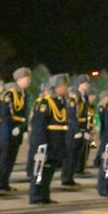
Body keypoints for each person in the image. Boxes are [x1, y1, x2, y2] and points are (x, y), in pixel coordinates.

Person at [28, 74, 70, 205]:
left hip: (56, 142)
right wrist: (41, 145)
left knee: (49, 171)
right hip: (46, 141)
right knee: (40, 170)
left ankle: (45, 195)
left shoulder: (60, 102)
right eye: (63, 85)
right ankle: (36, 196)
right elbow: (39, 126)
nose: (65, 88)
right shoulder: (45, 103)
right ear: (55, 87)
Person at [0, 67, 32, 194]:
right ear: (19, 79)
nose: (29, 80)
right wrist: (13, 127)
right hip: (7, 130)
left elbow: (24, 113)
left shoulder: (23, 93)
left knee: (11, 159)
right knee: (5, 158)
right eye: (27, 78)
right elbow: (5, 114)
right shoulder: (9, 94)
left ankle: (5, 182)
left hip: (17, 130)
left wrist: (22, 128)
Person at [63, 75, 90, 186]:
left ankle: (70, 176)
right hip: (73, 128)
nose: (87, 85)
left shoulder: (85, 96)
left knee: (77, 154)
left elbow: (85, 114)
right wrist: (76, 130)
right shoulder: (74, 96)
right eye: (85, 83)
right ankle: (66, 177)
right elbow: (72, 115)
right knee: (70, 154)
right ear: (80, 84)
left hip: (82, 127)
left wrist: (85, 130)